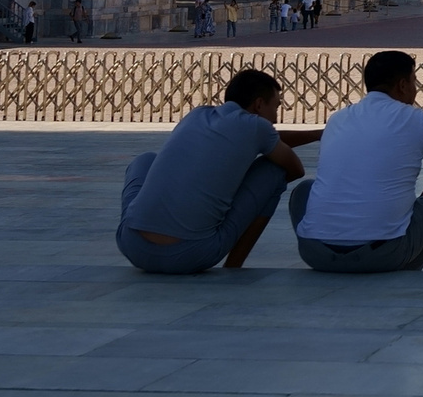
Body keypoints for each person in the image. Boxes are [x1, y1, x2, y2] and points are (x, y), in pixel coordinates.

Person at [290, 51, 423, 272]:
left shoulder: (338, 119)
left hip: (315, 254)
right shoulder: (415, 119)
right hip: (381, 255)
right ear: (403, 85)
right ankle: (408, 265)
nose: (415, 89)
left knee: (304, 190)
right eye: (414, 82)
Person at [118, 69, 319, 274]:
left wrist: (315, 135)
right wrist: (244, 189)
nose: (276, 117)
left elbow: (267, 137)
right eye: (276, 107)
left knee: (145, 160)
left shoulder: (196, 115)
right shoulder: (258, 127)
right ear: (259, 104)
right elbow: (295, 169)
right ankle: (233, 267)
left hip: (133, 246)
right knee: (274, 171)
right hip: (190, 254)